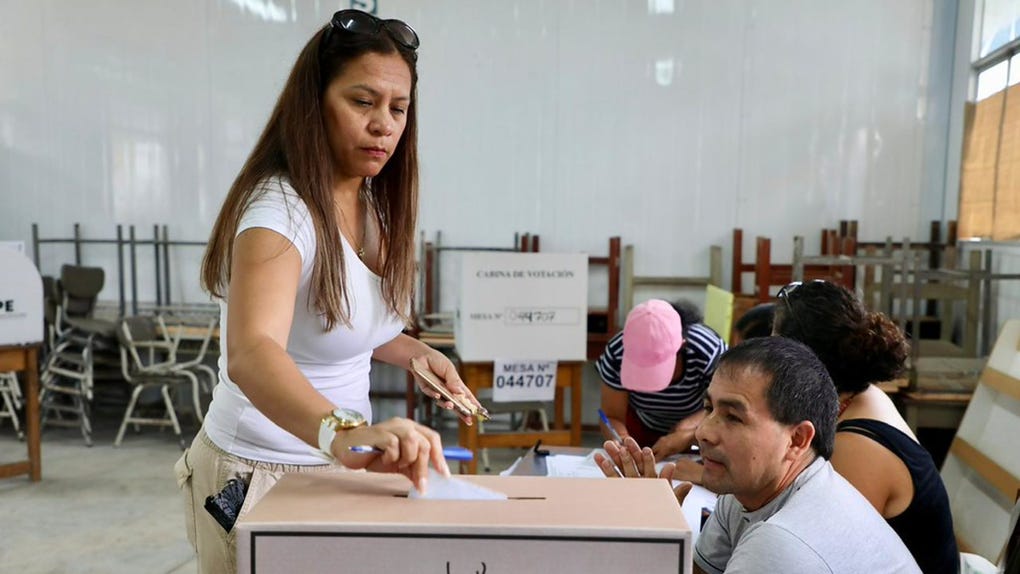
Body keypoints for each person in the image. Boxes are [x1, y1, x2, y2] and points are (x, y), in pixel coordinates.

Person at [174, 10, 482, 574]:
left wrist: (418, 354)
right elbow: (252, 351)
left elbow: (339, 322)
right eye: (362, 102)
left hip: (338, 463)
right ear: (314, 104)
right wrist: (345, 432)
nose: (383, 125)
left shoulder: (369, 202)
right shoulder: (279, 211)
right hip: (259, 473)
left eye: (398, 108)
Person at [597, 337, 921, 573]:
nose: (703, 432)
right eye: (709, 408)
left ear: (797, 440)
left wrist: (638, 545)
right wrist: (654, 529)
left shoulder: (780, 543)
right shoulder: (747, 493)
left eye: (734, 417)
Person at [772, 280, 958, 574]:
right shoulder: (859, 396)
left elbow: (828, 553)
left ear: (804, 361)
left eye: (774, 346)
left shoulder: (857, 446)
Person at [595, 299, 726, 458]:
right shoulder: (617, 352)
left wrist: (689, 433)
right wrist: (621, 439)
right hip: (641, 424)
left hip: (699, 426)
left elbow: (724, 409)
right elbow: (612, 415)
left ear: (681, 345)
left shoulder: (708, 351)